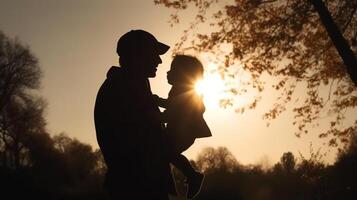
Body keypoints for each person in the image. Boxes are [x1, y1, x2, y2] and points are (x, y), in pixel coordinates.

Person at [94, 29, 175, 200]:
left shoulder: (133, 86)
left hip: (141, 185)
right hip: (137, 187)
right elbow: (143, 142)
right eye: (154, 54)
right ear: (137, 56)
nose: (159, 60)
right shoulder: (121, 89)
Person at [154, 55, 212, 199]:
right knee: (168, 153)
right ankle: (193, 176)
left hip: (183, 133)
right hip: (178, 131)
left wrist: (158, 114)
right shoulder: (180, 91)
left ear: (184, 75)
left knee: (167, 153)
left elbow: (174, 110)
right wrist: (158, 102)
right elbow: (172, 105)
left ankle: (193, 176)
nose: (168, 73)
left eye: (172, 70)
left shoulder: (184, 92)